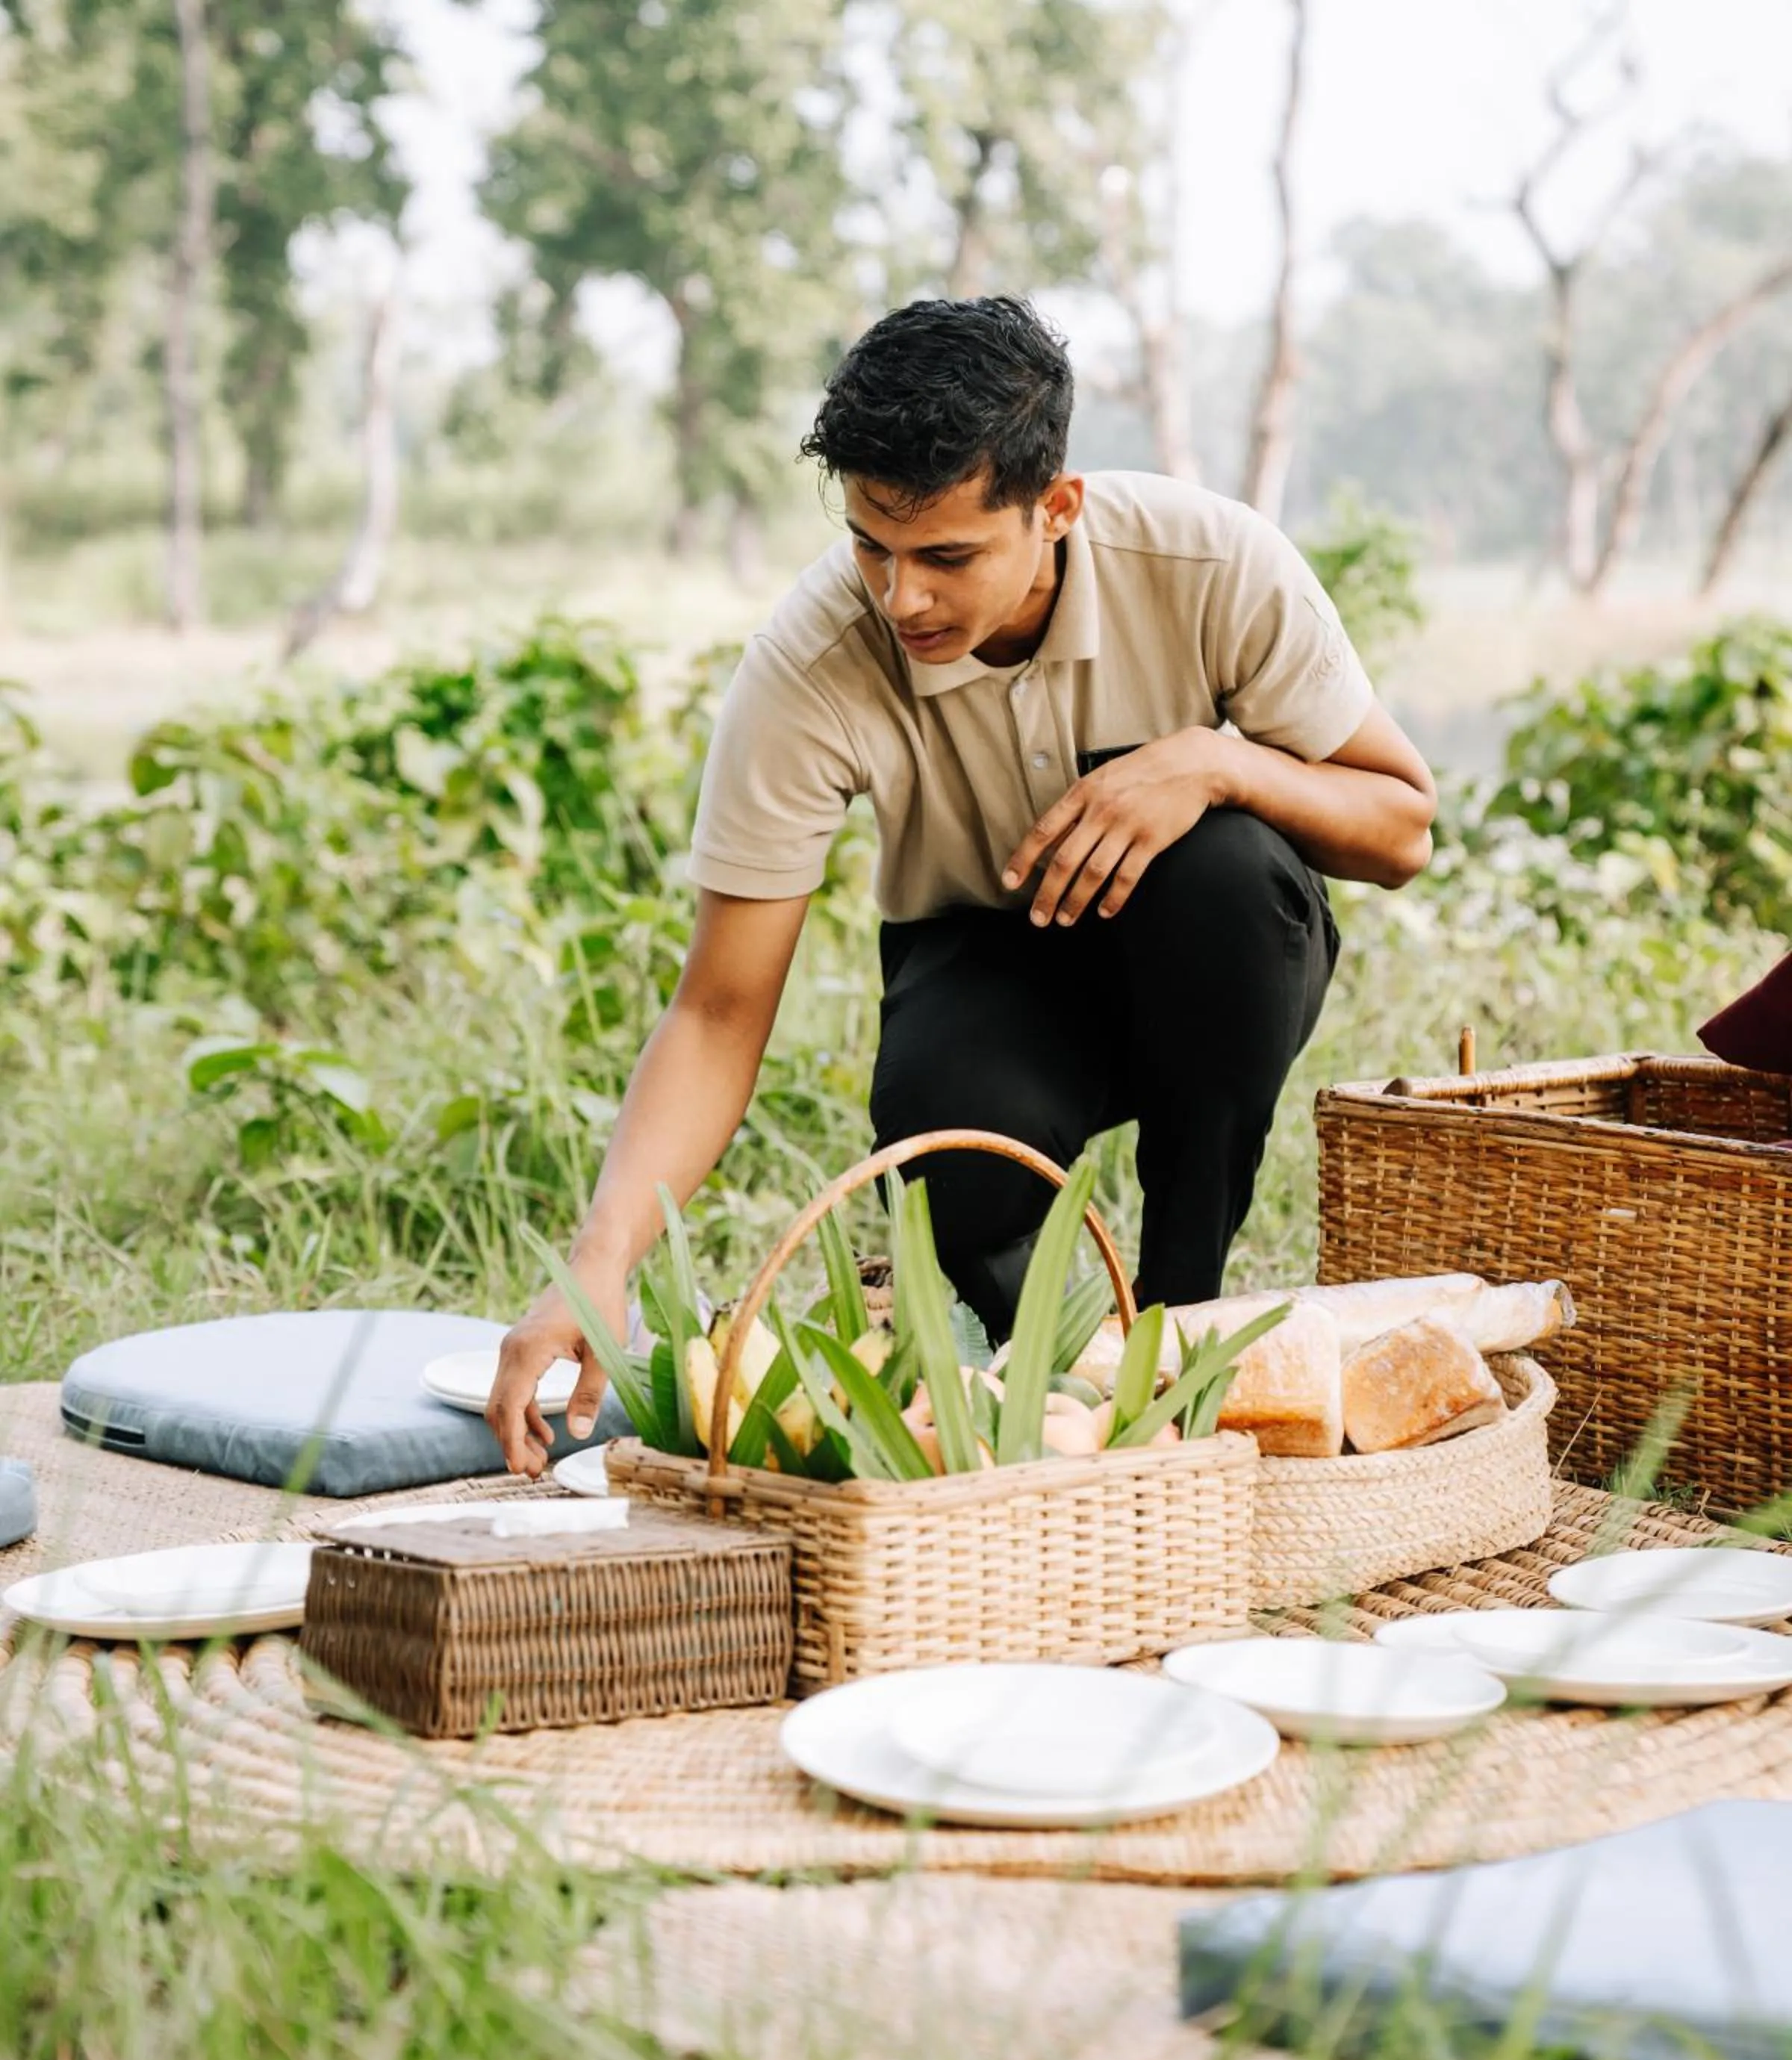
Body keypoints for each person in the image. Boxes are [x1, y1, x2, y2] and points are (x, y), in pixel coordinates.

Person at [488, 296, 1436, 1475]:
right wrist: (600, 1262)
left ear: (1057, 509)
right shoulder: (812, 662)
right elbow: (719, 1009)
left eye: (947, 557)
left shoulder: (1212, 562)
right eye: (870, 548)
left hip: (1208, 952)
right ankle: (1009, 1401)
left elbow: (1401, 828)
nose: (903, 601)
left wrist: (1215, 762)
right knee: (944, 1102)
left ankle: (1186, 1340)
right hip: (984, 967)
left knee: (1229, 872)